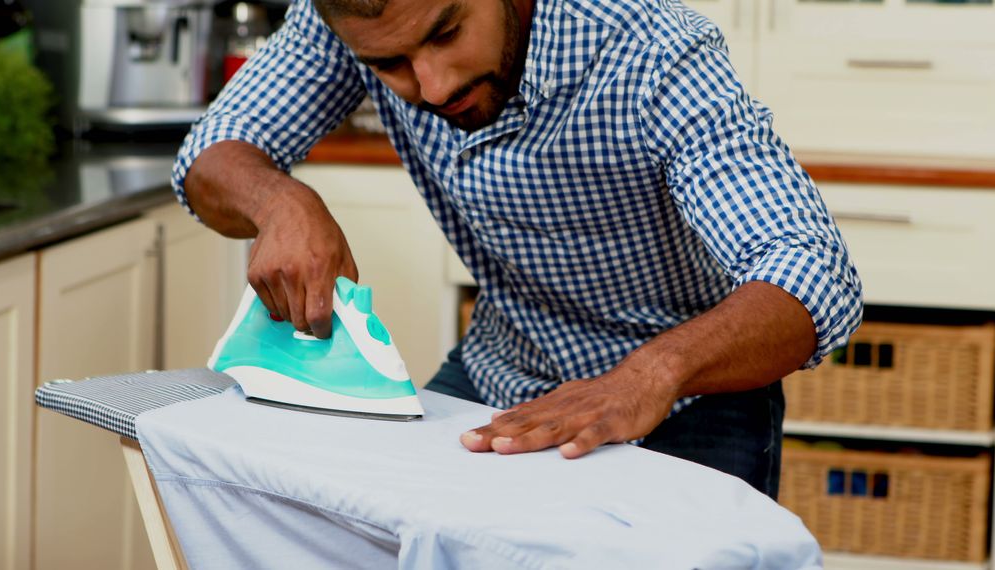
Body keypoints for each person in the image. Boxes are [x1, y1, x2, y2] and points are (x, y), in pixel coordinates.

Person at [173, 0, 862, 499]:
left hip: (689, 397)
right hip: (501, 374)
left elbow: (811, 272)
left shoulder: (654, 51)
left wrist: (644, 377)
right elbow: (208, 156)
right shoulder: (355, 18)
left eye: (447, 32)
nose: (432, 86)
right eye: (390, 65)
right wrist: (279, 202)